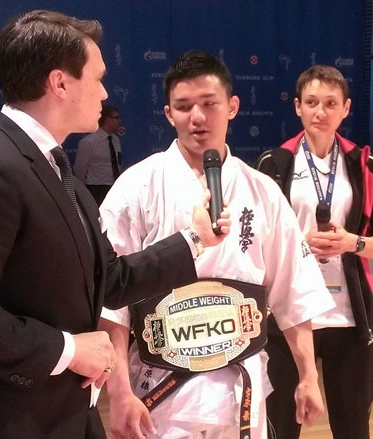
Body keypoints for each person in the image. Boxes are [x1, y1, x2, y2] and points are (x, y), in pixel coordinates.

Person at [0, 11, 231, 439]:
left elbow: (110, 279)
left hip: (64, 414)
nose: (105, 92)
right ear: (60, 83)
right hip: (1, 420)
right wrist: (69, 349)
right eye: (97, 78)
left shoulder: (63, 175)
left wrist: (194, 239)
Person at [98, 50, 335, 439]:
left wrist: (309, 374)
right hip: (162, 393)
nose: (197, 116)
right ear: (168, 114)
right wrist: (119, 391)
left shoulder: (263, 192)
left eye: (209, 104)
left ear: (233, 106)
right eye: (184, 106)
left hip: (241, 393)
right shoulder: (136, 187)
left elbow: (294, 289)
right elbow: (113, 302)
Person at [256, 64, 373, 439]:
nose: (321, 111)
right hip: (288, 314)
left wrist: (352, 243)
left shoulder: (364, 164)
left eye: (331, 103)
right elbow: (254, 243)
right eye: (312, 102)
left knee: (353, 427)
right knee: (281, 426)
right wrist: (297, 243)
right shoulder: (274, 164)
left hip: (348, 316)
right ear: (297, 106)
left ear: (346, 108)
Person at [74, 104, 123, 205]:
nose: (119, 121)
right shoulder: (88, 142)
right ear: (107, 119)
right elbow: (80, 169)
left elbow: (118, 162)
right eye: (116, 118)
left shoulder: (115, 140)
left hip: (115, 187)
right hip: (95, 188)